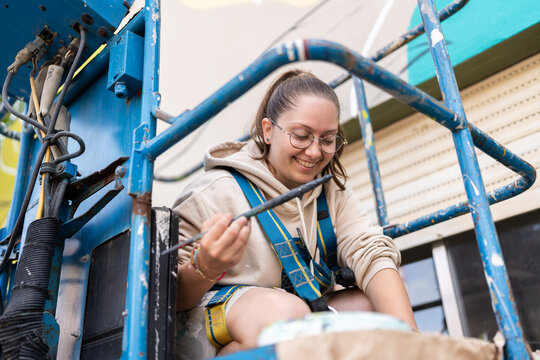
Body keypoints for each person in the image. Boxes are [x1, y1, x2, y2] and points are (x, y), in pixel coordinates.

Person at [173, 69, 417, 359]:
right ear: (267, 129)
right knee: (286, 315)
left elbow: (370, 252)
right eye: (301, 136)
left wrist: (411, 341)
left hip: (295, 322)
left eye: (327, 140)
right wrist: (206, 266)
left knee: (377, 312)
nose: (314, 152)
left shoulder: (332, 191)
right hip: (207, 327)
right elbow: (169, 298)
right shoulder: (214, 193)